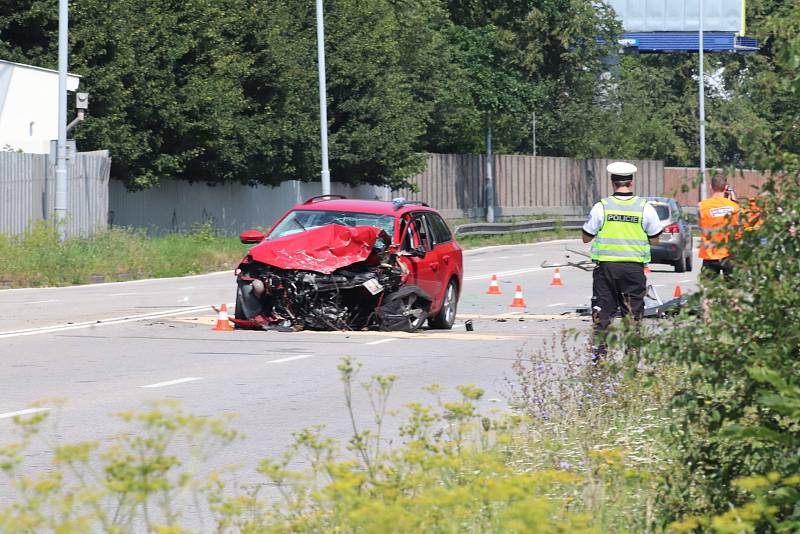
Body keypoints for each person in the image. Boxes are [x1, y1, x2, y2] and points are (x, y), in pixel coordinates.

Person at [582, 162, 663, 358]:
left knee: (602, 317)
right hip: (633, 271)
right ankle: (631, 365)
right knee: (633, 317)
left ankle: (598, 363)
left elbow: (586, 237)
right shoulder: (645, 207)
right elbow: (655, 238)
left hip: (606, 270)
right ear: (631, 181)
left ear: (612, 182)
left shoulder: (602, 207)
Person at [698, 175, 741, 276]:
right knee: (732, 288)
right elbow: (739, 228)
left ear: (710, 187)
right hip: (729, 254)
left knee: (709, 289)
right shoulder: (734, 207)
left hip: (709, 255)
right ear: (726, 188)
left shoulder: (702, 206)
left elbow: (700, 225)